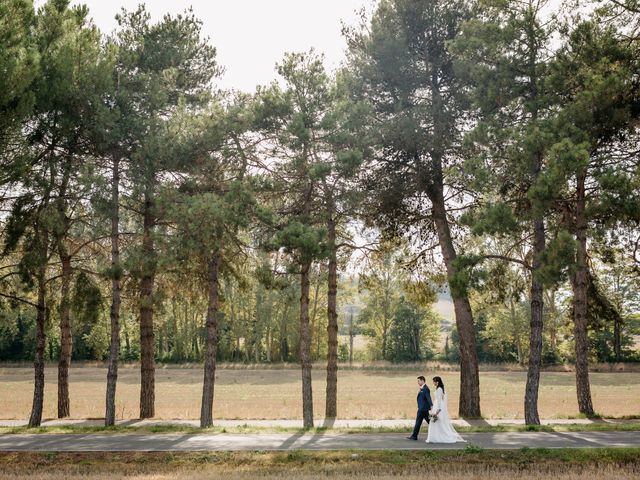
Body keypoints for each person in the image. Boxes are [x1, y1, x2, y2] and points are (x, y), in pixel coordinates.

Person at [426, 376, 466, 443]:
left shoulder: (439, 389)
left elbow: (439, 400)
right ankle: (436, 436)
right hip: (438, 405)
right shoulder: (440, 388)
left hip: (438, 406)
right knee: (437, 422)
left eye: (434, 381)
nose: (433, 383)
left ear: (437, 382)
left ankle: (439, 437)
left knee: (437, 422)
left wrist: (437, 410)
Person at [407, 375, 432, 440]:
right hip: (423, 408)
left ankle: (414, 436)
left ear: (422, 381)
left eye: (419, 381)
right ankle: (414, 436)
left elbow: (428, 398)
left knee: (419, 422)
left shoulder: (425, 388)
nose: (418, 382)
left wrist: (431, 406)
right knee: (429, 421)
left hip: (422, 409)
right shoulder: (422, 388)